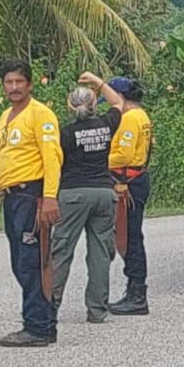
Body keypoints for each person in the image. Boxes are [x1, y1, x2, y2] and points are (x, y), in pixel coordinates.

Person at [0, 60, 63, 347]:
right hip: (11, 198)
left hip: (33, 195)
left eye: (19, 82)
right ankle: (40, 321)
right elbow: (1, 162)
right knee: (20, 263)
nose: (13, 87)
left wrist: (49, 197)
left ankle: (39, 327)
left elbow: (52, 158)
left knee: (32, 261)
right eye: (8, 82)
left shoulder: (41, 114)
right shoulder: (6, 117)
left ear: (30, 84)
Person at [49, 80, 125, 324]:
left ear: (70, 106)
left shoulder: (66, 133)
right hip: (104, 193)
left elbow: (54, 163)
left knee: (61, 251)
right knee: (100, 253)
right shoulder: (106, 125)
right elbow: (117, 102)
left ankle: (49, 306)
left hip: (73, 194)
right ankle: (97, 310)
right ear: (93, 104)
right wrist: (98, 81)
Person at [103, 75, 154, 315]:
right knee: (131, 235)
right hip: (136, 178)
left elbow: (122, 155)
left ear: (120, 97)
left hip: (128, 182)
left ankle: (136, 294)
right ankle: (134, 291)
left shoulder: (129, 119)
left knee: (129, 237)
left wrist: (97, 160)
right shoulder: (141, 116)